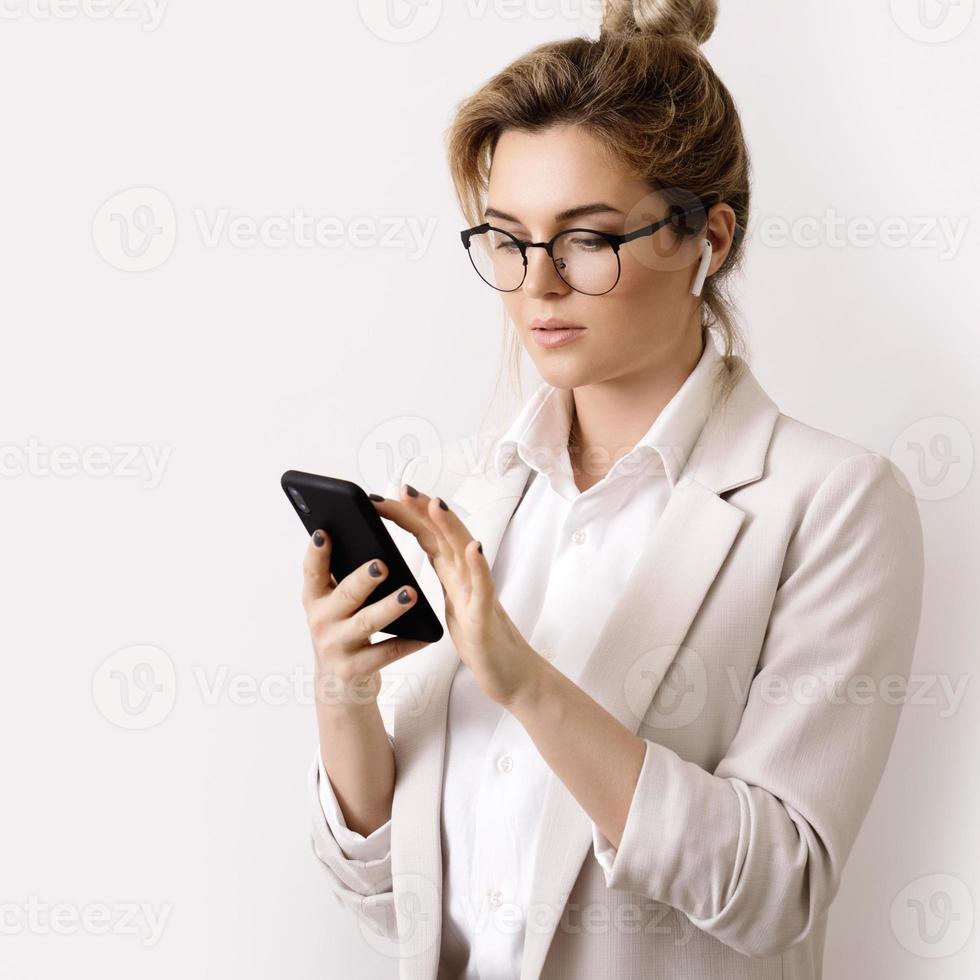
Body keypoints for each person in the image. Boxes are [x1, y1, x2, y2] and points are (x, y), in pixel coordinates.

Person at [299, 1, 925, 977]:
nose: (535, 285)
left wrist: (524, 680)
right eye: (505, 238)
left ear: (704, 238)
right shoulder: (469, 488)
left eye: (587, 240)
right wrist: (342, 692)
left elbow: (778, 887)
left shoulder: (832, 502)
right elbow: (388, 900)